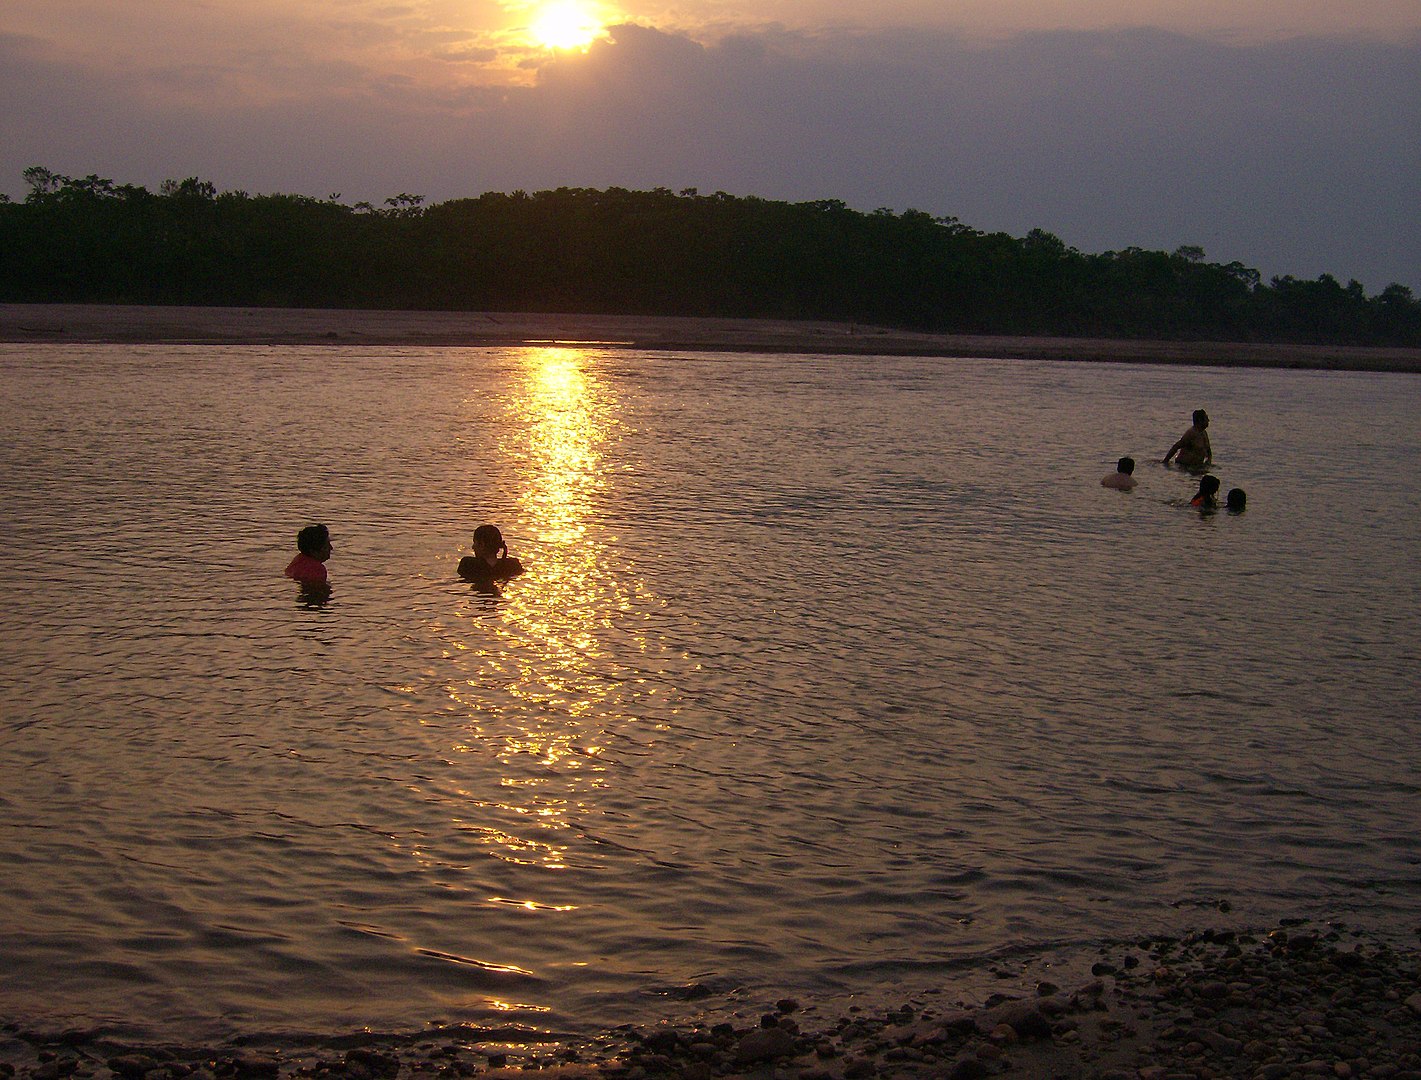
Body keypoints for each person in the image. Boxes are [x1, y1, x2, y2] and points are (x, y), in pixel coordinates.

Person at [458, 525, 524, 590]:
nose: (473, 547)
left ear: (482, 544)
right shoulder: (513, 565)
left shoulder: (468, 564)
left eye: (475, 542)